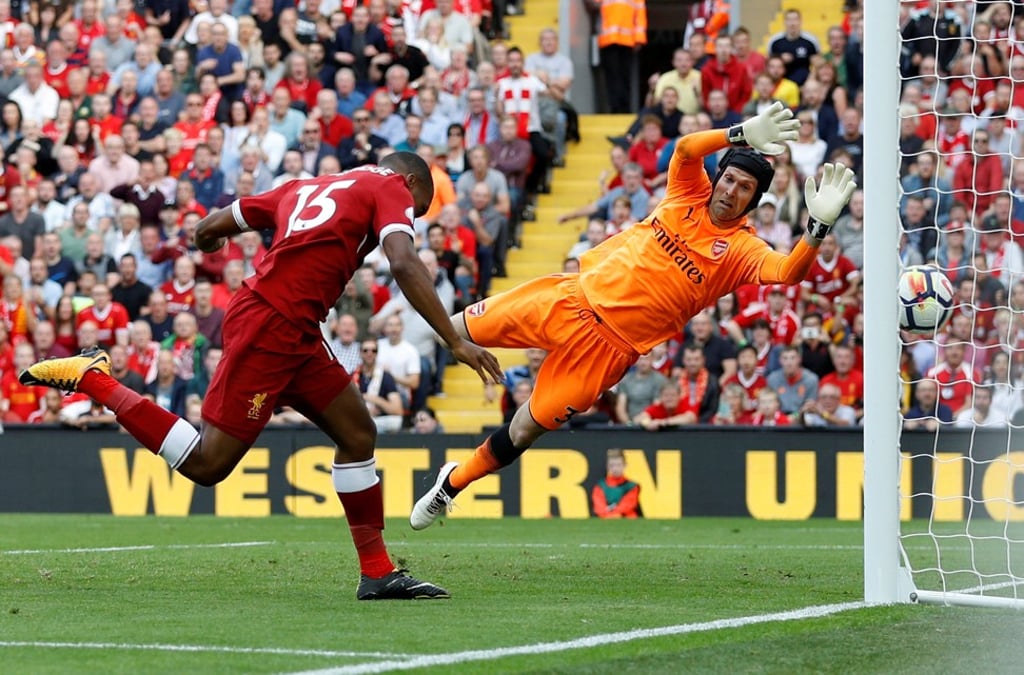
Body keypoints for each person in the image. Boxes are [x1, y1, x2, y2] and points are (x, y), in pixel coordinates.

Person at [20, 152, 503, 600]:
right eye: (419, 208)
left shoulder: (302, 186)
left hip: (295, 330)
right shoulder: (392, 185)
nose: (413, 215)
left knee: (358, 432)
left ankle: (377, 573)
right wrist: (455, 339)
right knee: (208, 465)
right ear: (411, 181)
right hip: (272, 325)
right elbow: (402, 260)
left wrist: (207, 240)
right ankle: (94, 378)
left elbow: (210, 226)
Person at [411, 102, 856, 530]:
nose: (731, 191)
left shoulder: (742, 250)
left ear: (754, 202)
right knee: (447, 328)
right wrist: (738, 133)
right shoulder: (687, 192)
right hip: (569, 299)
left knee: (525, 429)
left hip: (608, 351)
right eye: (730, 179)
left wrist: (816, 228)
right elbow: (684, 149)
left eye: (744, 188)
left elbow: (787, 272)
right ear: (717, 179)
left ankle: (451, 484)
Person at [591, 448, 641, 519]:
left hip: (627, 520)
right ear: (607, 466)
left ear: (625, 465)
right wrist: (609, 514)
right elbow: (599, 508)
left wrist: (613, 514)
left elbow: (627, 506)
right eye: (612, 465)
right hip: (605, 520)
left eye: (618, 465)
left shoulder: (632, 486)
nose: (615, 469)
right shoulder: (600, 486)